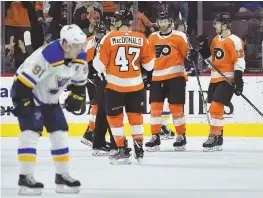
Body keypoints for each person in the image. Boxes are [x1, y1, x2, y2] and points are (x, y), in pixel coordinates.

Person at [11, 24, 88, 195]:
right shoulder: (47, 56)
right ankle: (25, 178)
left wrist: (78, 96)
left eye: (82, 45)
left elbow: (80, 84)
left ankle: (62, 175)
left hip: (50, 98)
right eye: (76, 45)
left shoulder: (80, 57)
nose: (80, 49)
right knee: (30, 133)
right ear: (65, 44)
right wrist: (21, 101)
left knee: (60, 133)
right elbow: (23, 83)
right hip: (28, 92)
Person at [95, 9, 155, 164]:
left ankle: (121, 149)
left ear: (120, 22)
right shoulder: (141, 38)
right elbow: (149, 66)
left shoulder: (110, 37)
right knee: (136, 118)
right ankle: (139, 147)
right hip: (136, 85)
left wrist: (98, 52)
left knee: (115, 119)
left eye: (116, 20)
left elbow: (98, 65)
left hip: (115, 85)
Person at [144, 11, 198, 152]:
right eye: (160, 22)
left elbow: (188, 54)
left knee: (176, 109)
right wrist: (147, 75)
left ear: (170, 22)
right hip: (157, 78)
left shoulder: (179, 36)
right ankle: (155, 136)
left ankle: (181, 136)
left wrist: (192, 54)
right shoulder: (152, 37)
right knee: (155, 109)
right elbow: (148, 58)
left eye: (165, 21)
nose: (162, 24)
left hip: (176, 77)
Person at [197, 13, 245, 151]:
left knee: (216, 108)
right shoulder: (216, 39)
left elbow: (239, 62)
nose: (215, 26)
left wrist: (238, 81)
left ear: (224, 25)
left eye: (217, 23)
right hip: (215, 79)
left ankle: (214, 135)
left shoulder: (235, 41)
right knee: (214, 110)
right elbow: (212, 61)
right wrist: (203, 47)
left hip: (227, 79)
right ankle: (219, 137)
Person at [81, 21, 117, 156]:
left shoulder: (106, 40)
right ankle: (90, 133)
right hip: (91, 77)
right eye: (98, 32)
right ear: (94, 31)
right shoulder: (89, 42)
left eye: (102, 32)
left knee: (97, 106)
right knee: (98, 105)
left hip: (100, 76)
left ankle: (90, 133)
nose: (100, 35)